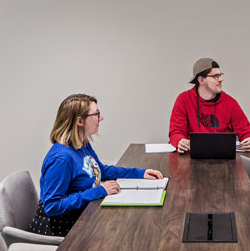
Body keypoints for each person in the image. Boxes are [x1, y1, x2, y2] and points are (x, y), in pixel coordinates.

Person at [29, 93, 163, 237]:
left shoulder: (82, 144)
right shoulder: (61, 159)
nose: (101, 118)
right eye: (96, 114)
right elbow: (52, 206)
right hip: (59, 228)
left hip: (82, 215)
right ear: (80, 121)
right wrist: (99, 191)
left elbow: (101, 171)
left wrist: (140, 174)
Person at [168, 58, 250, 153]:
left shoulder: (230, 102)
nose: (220, 79)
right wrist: (179, 141)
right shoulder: (184, 99)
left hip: (223, 158)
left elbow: (246, 132)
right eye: (215, 76)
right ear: (201, 80)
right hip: (192, 155)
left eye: (220, 75)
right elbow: (176, 132)